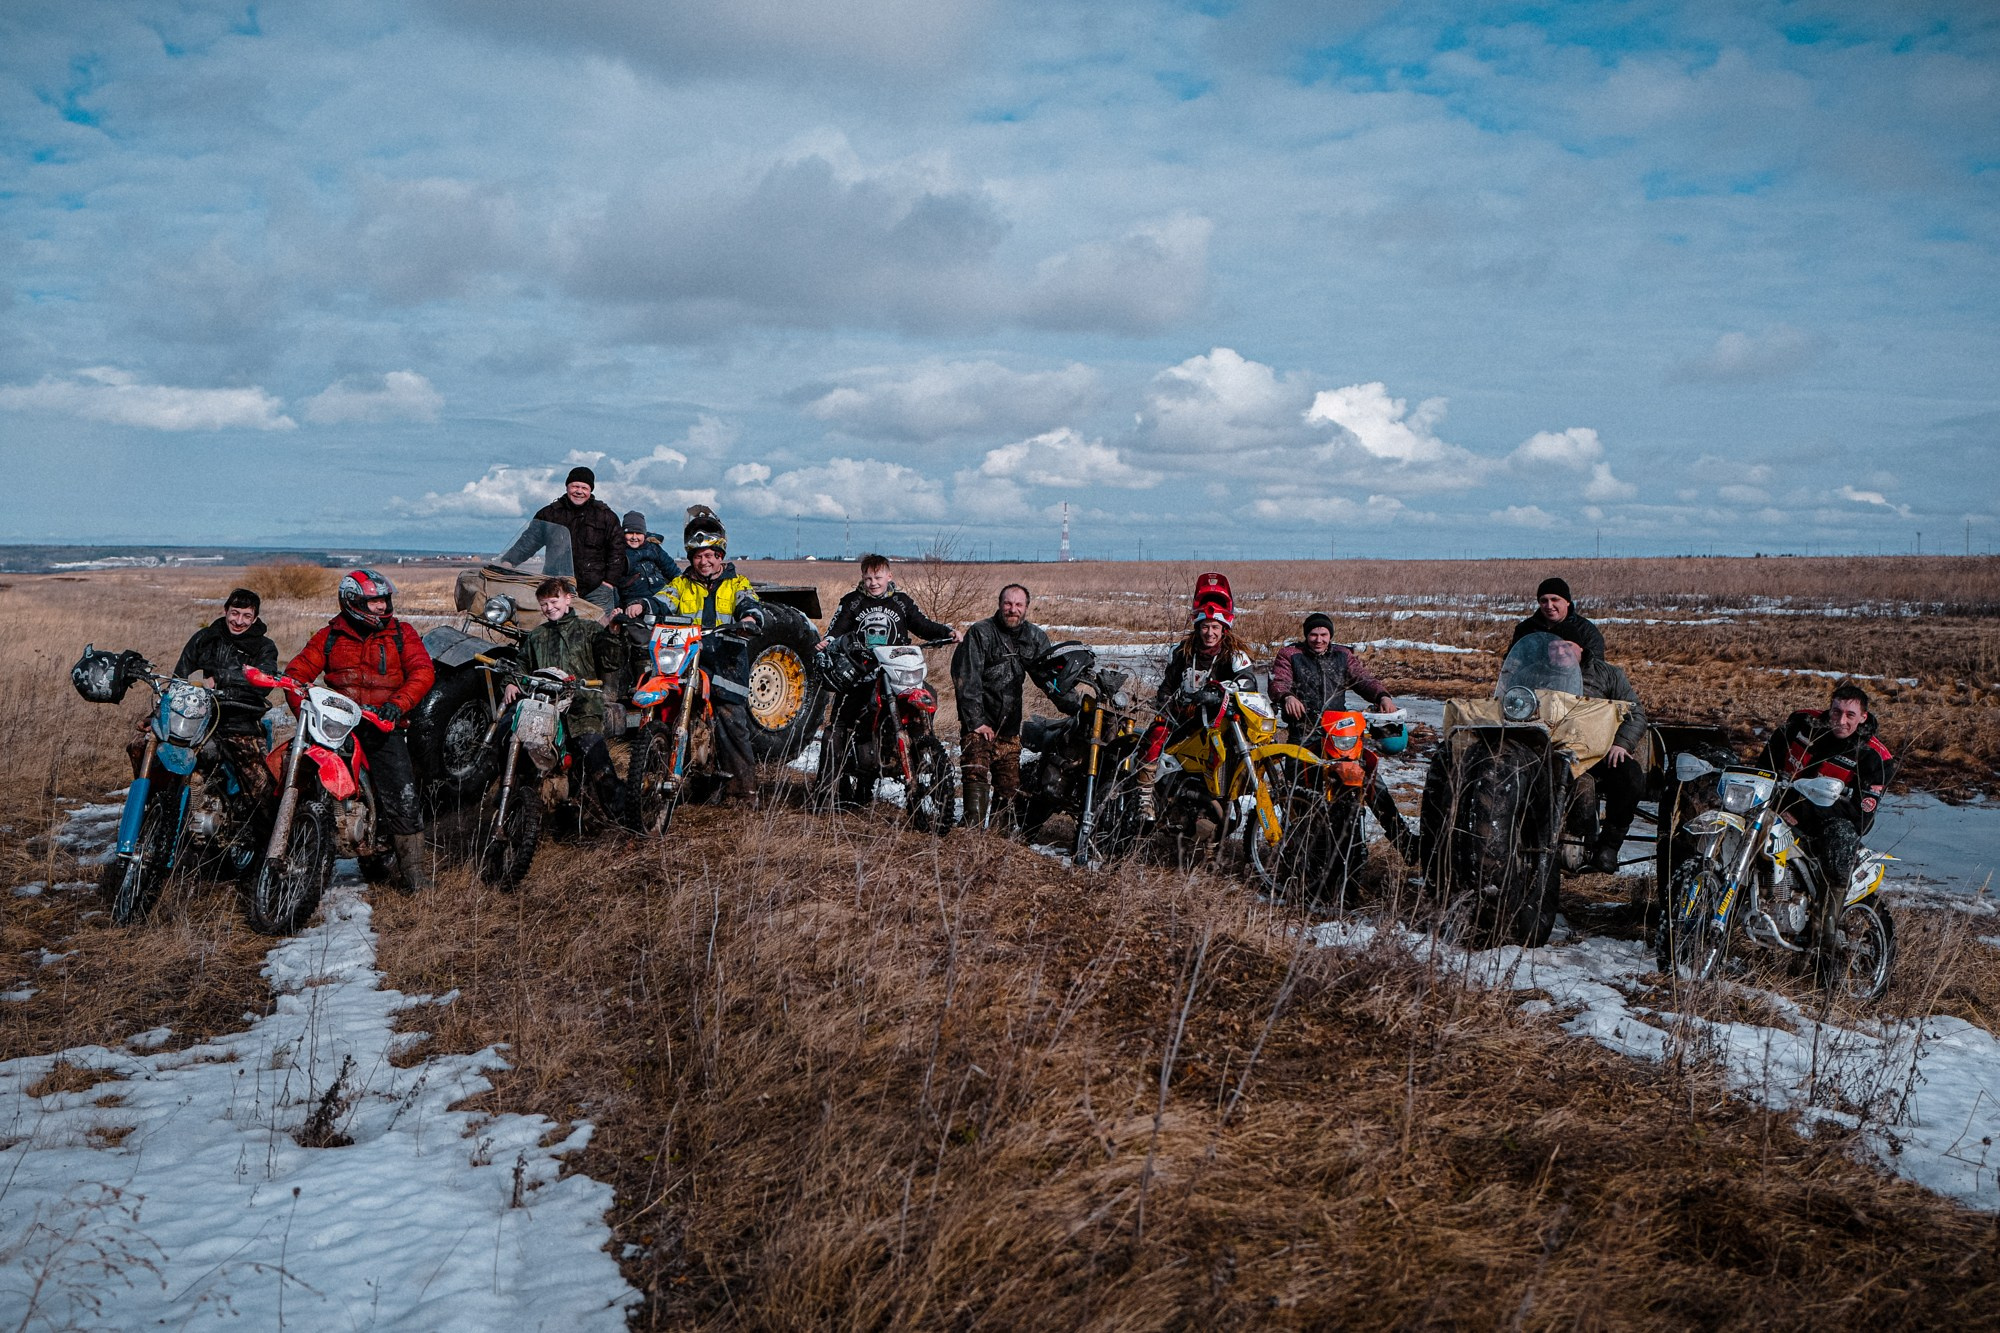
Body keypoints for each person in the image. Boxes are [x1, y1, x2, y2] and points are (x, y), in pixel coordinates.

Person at [285, 570, 437, 891]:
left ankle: (414, 874)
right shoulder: (329, 636)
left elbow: (423, 671)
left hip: (382, 723)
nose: (382, 607)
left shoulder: (401, 633)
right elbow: (297, 672)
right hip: (335, 724)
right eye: (374, 601)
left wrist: (398, 704)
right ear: (353, 602)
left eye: (384, 600)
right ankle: (287, 849)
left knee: (401, 790)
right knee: (295, 774)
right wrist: (305, 710)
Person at [1268, 611, 1412, 860]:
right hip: (1304, 733)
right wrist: (1287, 697)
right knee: (1298, 793)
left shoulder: (1342, 655)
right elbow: (1279, 682)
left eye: (1324, 634)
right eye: (1313, 634)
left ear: (1330, 636)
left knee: (1371, 781)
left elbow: (1363, 680)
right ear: (1306, 635)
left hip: (1339, 734)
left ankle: (1406, 843)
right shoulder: (1290, 655)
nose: (1318, 639)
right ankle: (1301, 851)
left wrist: (1382, 696)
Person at [656, 506, 766, 800]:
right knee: (670, 716)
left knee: (732, 724)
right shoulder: (681, 584)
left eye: (709, 555)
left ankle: (744, 792)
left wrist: (750, 618)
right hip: (686, 660)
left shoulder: (736, 583)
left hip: (726, 661)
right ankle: (670, 780)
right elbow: (662, 600)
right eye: (697, 556)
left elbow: (749, 602)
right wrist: (642, 607)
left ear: (720, 557)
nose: (703, 561)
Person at [1759, 682, 1895, 906]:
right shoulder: (1801, 725)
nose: (1841, 721)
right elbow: (1765, 767)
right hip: (1781, 804)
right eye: (1836, 712)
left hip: (1834, 818)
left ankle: (1825, 926)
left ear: (1862, 717)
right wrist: (1777, 804)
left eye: (1850, 715)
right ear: (1829, 709)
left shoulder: (1874, 756)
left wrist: (1802, 813)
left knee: (1839, 842)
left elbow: (1860, 816)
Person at [1133, 575, 1256, 822]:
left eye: (1215, 627)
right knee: (1156, 735)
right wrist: (1169, 707)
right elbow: (1166, 687)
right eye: (1205, 627)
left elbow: (1248, 682)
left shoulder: (1234, 655)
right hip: (1181, 717)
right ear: (1198, 627)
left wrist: (1220, 691)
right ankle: (1144, 798)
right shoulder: (1182, 652)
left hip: (1216, 720)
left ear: (1224, 629)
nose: (1210, 633)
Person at [509, 578, 628, 822]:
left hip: (583, 708)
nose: (549, 607)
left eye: (554, 601)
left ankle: (625, 819)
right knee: (528, 759)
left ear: (568, 599)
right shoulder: (537, 637)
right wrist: (511, 682)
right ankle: (531, 816)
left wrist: (614, 634)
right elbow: (522, 666)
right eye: (544, 604)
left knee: (597, 761)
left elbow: (611, 662)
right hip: (546, 710)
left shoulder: (588, 630)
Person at [951, 583, 1064, 830]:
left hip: (1009, 727)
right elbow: (965, 679)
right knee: (975, 770)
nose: (1013, 609)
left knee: (1009, 785)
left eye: (1018, 605)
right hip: (979, 723)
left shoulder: (1034, 638)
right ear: (1000, 604)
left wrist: (1074, 703)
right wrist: (976, 721)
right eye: (1008, 603)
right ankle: (971, 833)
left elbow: (1050, 678)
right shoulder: (981, 633)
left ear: (1026, 608)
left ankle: (997, 842)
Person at [1544, 639, 1648, 873]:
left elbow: (1636, 714)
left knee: (1630, 777)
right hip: (1551, 752)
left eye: (1567, 646)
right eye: (1553, 647)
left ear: (1581, 648)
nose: (1560, 651)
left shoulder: (1608, 674)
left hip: (1598, 751)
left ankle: (1608, 847)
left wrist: (1621, 744)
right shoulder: (1537, 674)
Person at [171, 587, 280, 798]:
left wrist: (221, 678)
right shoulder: (206, 637)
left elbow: (265, 680)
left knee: (262, 787)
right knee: (152, 749)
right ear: (225, 611)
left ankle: (264, 830)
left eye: (247, 616)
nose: (239, 621)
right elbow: (179, 676)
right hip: (200, 718)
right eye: (235, 613)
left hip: (241, 721)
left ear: (255, 618)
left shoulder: (264, 647)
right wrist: (162, 709)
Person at [532, 466, 626, 612]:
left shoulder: (606, 516)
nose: (579, 491)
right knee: (553, 629)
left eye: (584, 487)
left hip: (596, 590)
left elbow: (617, 551)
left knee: (599, 631)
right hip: (557, 589)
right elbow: (528, 542)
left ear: (590, 491)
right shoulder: (549, 514)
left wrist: (608, 583)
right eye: (575, 486)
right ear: (567, 487)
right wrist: (508, 562)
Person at [1509, 577, 1607, 667]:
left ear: (1567, 602)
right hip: (1533, 683)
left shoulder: (1586, 631)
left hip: (1576, 684)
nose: (1549, 606)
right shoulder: (1525, 629)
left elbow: (1596, 668)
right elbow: (1512, 662)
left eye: (1555, 600)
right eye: (1544, 601)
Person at [614, 510, 678, 620]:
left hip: (661, 598)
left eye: (638, 533)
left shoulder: (654, 548)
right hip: (634, 604)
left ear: (644, 534)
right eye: (630, 533)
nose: (634, 537)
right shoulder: (618, 553)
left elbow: (672, 569)